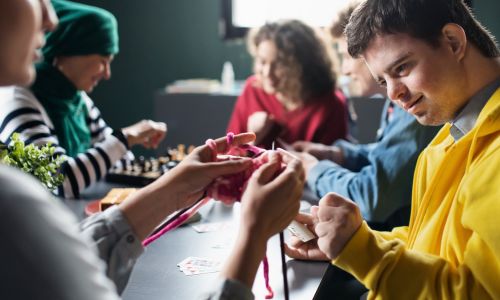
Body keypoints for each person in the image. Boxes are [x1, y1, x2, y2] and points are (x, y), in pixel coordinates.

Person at [0, 0, 305, 299]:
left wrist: (172, 187)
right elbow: (64, 179)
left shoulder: (76, 104)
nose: (51, 18)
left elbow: (71, 265)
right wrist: (253, 234)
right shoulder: (13, 203)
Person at [286, 0, 500, 298]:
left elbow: (479, 293)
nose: (393, 94)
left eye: (402, 67)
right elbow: (431, 243)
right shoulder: (451, 134)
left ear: (453, 42)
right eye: (383, 80)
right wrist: (353, 242)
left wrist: (362, 250)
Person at [290, 1, 440, 230]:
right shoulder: (393, 103)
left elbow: (372, 197)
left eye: (347, 57)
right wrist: (339, 155)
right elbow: (388, 156)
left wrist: (313, 169)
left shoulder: (413, 105)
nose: (345, 70)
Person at [0, 0, 167, 199]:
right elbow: (60, 181)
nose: (107, 74)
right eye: (103, 61)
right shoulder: (18, 101)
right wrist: (128, 137)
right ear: (71, 51)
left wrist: (122, 144)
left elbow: (119, 162)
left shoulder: (78, 100)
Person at [226, 19, 348, 149]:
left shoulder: (330, 104)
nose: (267, 72)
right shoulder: (252, 90)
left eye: (279, 64)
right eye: (262, 62)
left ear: (303, 65)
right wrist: (251, 140)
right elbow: (229, 154)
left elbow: (331, 165)